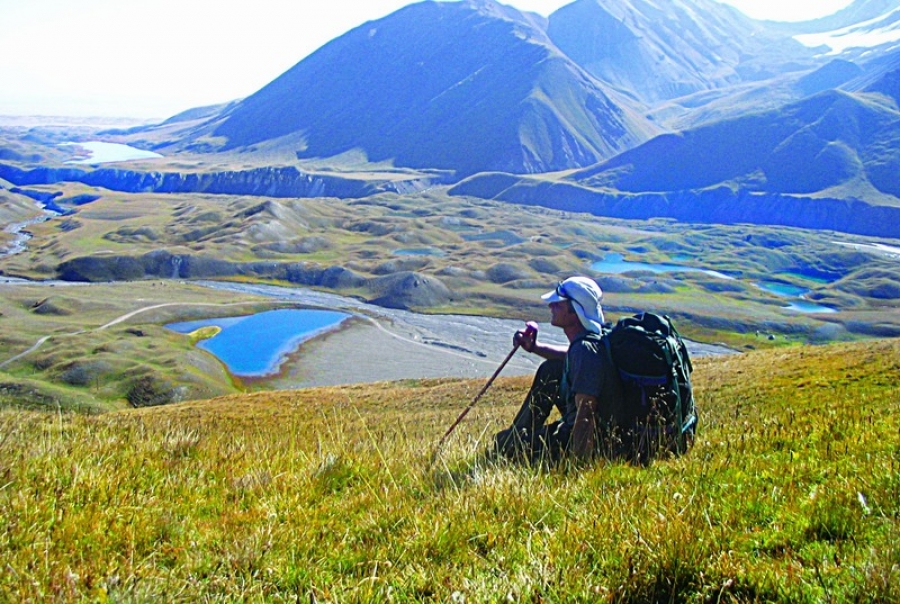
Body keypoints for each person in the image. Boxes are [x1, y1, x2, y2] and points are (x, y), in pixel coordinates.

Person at [493, 276, 624, 463]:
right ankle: (517, 434)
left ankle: (515, 440)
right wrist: (535, 347)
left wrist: (577, 466)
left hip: (593, 443)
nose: (551, 307)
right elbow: (570, 356)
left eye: (558, 304)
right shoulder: (595, 340)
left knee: (504, 446)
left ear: (574, 310)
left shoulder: (585, 350)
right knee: (552, 369)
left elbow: (586, 413)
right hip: (603, 434)